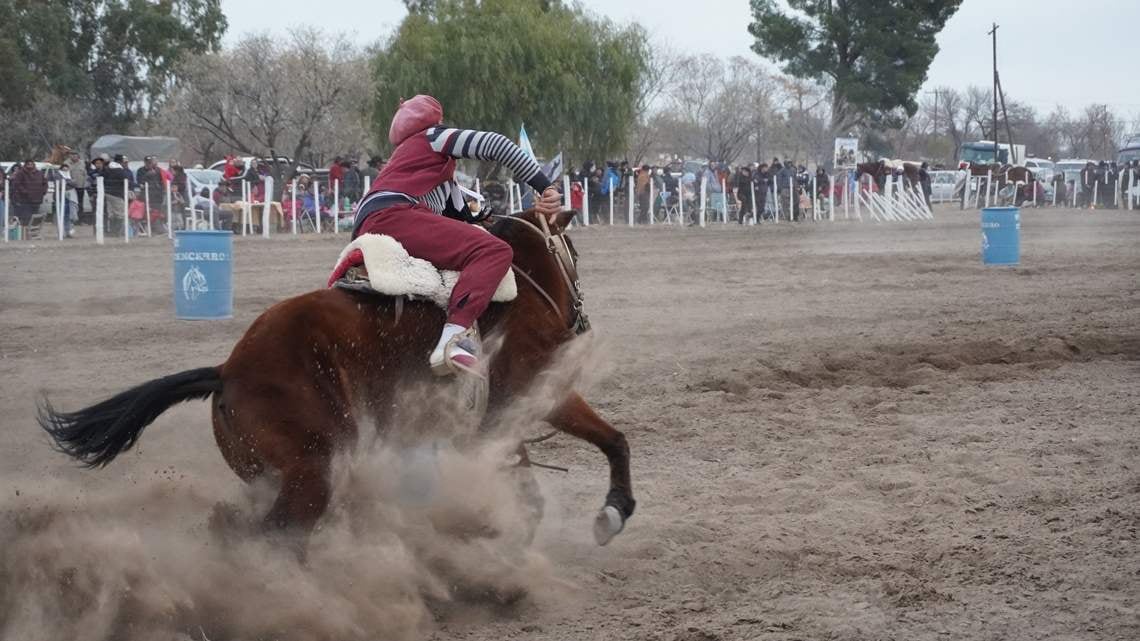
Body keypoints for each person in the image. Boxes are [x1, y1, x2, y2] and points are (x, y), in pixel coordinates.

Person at [351, 95, 560, 377]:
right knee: (495, 252)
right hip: (397, 215)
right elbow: (497, 145)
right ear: (435, 121)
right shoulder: (432, 137)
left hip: (372, 221)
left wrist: (482, 216)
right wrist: (545, 187)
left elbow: (462, 214)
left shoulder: (406, 159)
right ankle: (453, 340)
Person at [10, 160, 48, 226]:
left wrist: (43, 191)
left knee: (35, 218)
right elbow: (18, 184)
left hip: (37, 199)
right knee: (26, 218)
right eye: (28, 164)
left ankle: (32, 232)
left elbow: (45, 183)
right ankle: (25, 234)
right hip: (25, 200)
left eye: (31, 164)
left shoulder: (39, 173)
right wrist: (25, 192)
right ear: (25, 165)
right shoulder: (21, 173)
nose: (30, 165)